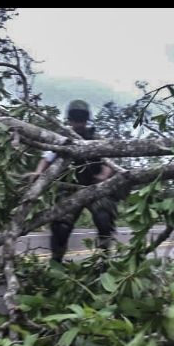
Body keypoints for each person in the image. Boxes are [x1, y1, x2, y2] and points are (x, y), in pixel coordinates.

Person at [32, 100, 118, 262]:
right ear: (69, 120)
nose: (78, 123)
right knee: (61, 227)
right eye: (75, 119)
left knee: (104, 220)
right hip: (70, 188)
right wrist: (38, 172)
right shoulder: (63, 138)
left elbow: (109, 161)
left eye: (81, 119)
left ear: (86, 120)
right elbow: (48, 158)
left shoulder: (96, 138)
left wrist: (104, 176)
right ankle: (56, 261)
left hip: (95, 187)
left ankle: (104, 260)